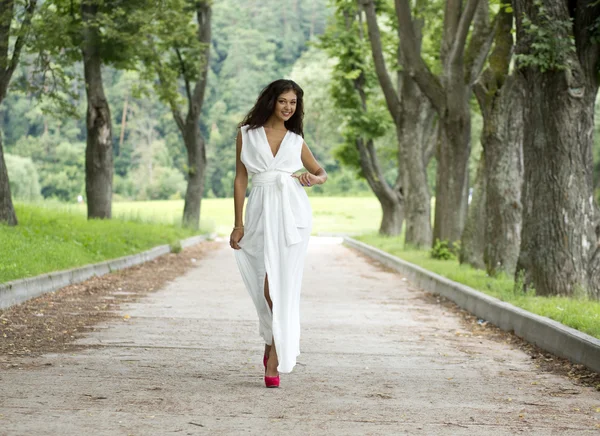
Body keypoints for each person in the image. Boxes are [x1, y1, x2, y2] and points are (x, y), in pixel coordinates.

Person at [230, 79, 327, 388]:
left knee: (281, 285)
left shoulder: (295, 139)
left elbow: (322, 173)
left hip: (292, 216)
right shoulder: (246, 135)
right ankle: (272, 339)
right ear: (271, 101)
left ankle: (273, 357)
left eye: (294, 103)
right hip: (258, 212)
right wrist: (237, 223)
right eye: (283, 100)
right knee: (264, 285)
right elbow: (240, 179)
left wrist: (312, 178)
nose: (288, 107)